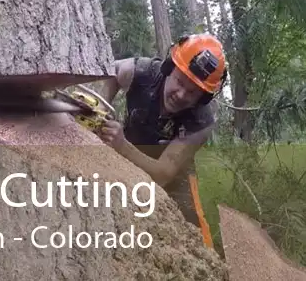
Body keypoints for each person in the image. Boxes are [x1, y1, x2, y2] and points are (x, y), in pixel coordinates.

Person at [96, 33, 228, 249]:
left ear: (203, 98)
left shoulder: (201, 121)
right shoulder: (143, 71)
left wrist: (121, 146)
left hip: (174, 175)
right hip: (129, 151)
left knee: (194, 232)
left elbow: (164, 174)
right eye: (179, 81)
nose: (181, 94)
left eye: (192, 92)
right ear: (168, 68)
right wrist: (101, 108)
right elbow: (112, 71)